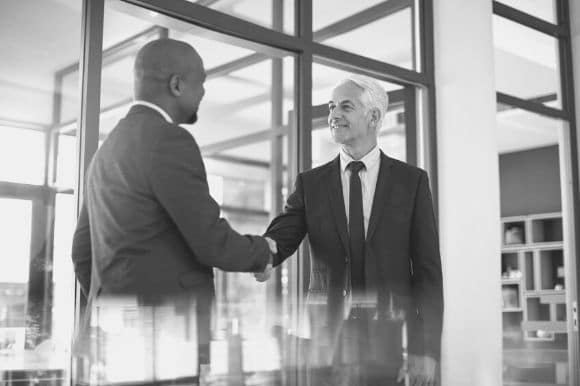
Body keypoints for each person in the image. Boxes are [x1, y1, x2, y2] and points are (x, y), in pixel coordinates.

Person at [71, 38, 276, 382]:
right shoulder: (169, 140)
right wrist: (262, 253)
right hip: (164, 345)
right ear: (177, 84)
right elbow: (209, 240)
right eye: (202, 83)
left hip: (111, 344)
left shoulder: (107, 149)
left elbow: (81, 252)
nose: (204, 93)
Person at [256, 76, 443, 386]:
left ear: (374, 117)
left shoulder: (412, 182)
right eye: (331, 107)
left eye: (345, 106)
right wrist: (259, 255)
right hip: (326, 341)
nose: (333, 115)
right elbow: (285, 232)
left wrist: (428, 349)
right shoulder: (311, 183)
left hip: (390, 339)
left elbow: (428, 273)